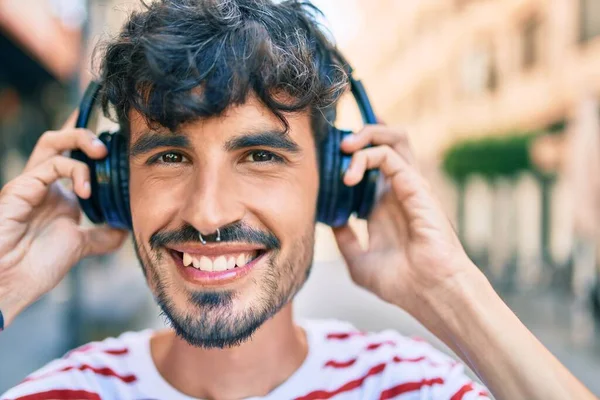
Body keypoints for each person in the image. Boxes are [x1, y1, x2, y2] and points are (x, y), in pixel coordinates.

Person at [0, 1, 596, 399]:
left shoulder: (413, 387)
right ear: (113, 186)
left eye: (260, 156)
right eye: (169, 156)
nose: (208, 213)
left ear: (338, 181)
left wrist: (450, 293)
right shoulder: (60, 391)